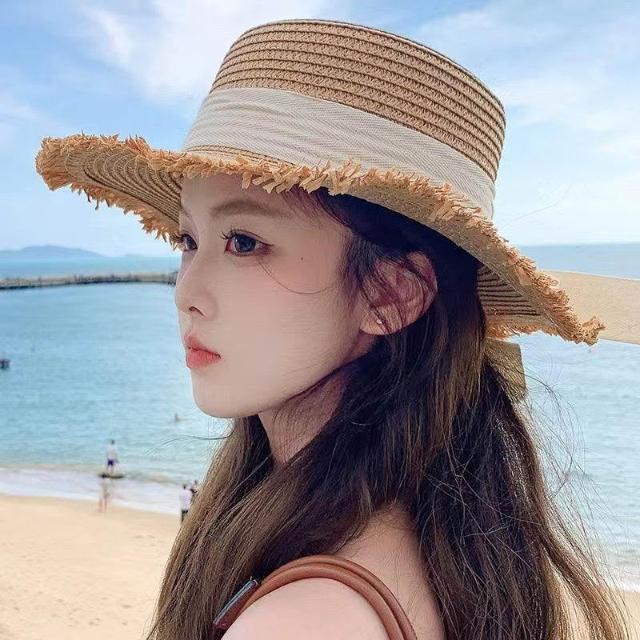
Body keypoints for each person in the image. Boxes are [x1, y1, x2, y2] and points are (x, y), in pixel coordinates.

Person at [34, 17, 639, 640]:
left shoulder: (306, 619)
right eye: (188, 240)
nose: (187, 291)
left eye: (245, 242)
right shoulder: (443, 537)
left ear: (391, 293)